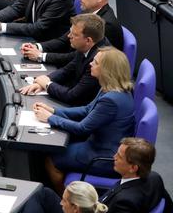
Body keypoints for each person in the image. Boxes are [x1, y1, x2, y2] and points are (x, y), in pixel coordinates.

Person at [34, 47, 135, 192]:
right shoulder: (111, 88)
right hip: (98, 144)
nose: (90, 64)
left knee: (51, 159)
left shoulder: (112, 100)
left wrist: (50, 118)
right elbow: (87, 109)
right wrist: (54, 111)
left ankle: (65, 202)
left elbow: (82, 128)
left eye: (96, 62)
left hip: (104, 156)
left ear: (106, 70)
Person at [22, 138, 173, 213]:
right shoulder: (154, 177)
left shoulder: (124, 202)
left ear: (133, 167)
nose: (114, 157)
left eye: (119, 156)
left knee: (40, 196)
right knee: (44, 193)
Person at [21, 0, 124, 66]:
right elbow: (64, 40)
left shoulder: (106, 25)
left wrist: (40, 56)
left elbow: (78, 58)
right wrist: (38, 47)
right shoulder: (87, 13)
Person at [19, 13, 107, 106]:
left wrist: (48, 85)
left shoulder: (98, 61)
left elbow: (73, 96)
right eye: (70, 32)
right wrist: (43, 81)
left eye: (74, 34)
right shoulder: (87, 46)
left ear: (88, 40)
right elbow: (67, 70)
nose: (69, 36)